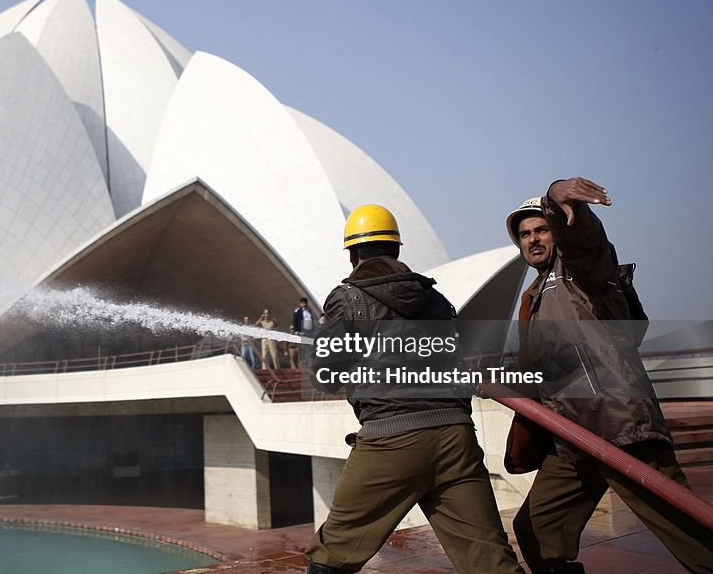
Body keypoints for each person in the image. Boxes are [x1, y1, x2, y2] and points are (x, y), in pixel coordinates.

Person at [506, 178, 713, 573]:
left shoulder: (581, 274)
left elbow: (586, 245)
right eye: (524, 233)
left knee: (690, 531)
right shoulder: (535, 295)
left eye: (542, 229)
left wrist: (559, 202)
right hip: (573, 437)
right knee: (536, 528)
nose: (532, 239)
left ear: (556, 231)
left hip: (619, 428)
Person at [305, 204, 523, 574]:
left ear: (353, 253)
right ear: (397, 249)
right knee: (489, 559)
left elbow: (323, 374)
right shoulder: (436, 300)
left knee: (332, 555)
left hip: (391, 439)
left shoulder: (348, 298)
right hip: (456, 438)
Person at [292, 297, 316, 367]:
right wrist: (296, 330)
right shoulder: (297, 311)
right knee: (302, 348)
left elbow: (312, 321)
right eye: (302, 303)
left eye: (305, 303)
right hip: (301, 331)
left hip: (309, 331)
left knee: (309, 348)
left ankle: (309, 364)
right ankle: (301, 364)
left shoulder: (309, 311)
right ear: (300, 303)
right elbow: (294, 321)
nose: (304, 304)